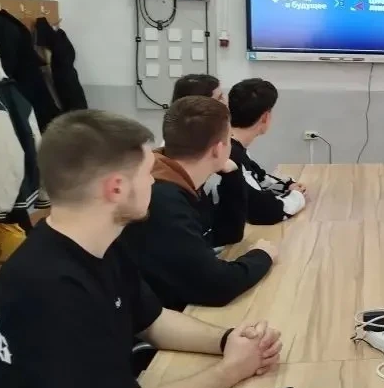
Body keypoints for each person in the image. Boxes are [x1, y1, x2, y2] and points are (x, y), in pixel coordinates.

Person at [0, 110, 282, 388]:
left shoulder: (96, 242)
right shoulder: (49, 286)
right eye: (148, 172)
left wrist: (227, 340)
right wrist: (232, 369)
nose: (154, 181)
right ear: (117, 188)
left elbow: (153, 320)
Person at [119, 96, 278, 310]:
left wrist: (232, 176)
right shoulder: (164, 198)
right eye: (229, 138)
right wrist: (262, 256)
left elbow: (226, 234)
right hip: (164, 316)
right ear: (218, 149)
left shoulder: (178, 177)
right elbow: (216, 287)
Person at [170, 73, 245, 246]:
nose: (226, 103)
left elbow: (227, 233)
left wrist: (233, 175)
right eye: (219, 98)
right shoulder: (172, 195)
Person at [229, 78, 307, 225]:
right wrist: (297, 196)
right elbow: (265, 211)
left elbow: (258, 178)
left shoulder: (234, 146)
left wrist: (287, 186)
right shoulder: (230, 154)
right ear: (265, 117)